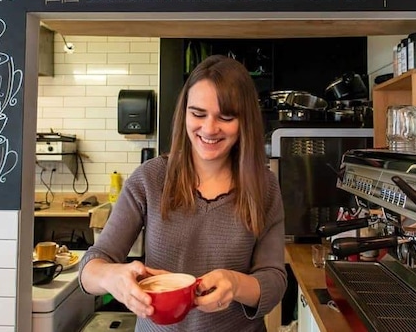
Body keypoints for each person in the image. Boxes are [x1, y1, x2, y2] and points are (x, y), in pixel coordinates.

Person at [79, 54, 287, 331]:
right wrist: (111, 276)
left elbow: (274, 280)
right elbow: (91, 266)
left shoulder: (265, 186)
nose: (209, 129)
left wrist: (236, 284)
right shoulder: (150, 178)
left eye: (225, 117)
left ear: (244, 121)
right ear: (184, 113)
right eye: (198, 114)